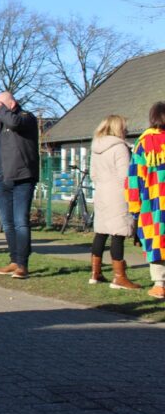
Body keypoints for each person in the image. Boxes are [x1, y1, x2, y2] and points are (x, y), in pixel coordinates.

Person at [0, 91, 40, 280]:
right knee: (7, 223)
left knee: (20, 221)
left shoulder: (25, 118)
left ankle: (23, 264)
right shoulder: (2, 123)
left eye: (1, 105)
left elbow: (14, 123)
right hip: (3, 179)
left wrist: (0, 108)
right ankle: (14, 260)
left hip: (22, 177)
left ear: (11, 104)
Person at [90, 115, 139, 289]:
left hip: (101, 192)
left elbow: (93, 174)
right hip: (117, 194)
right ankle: (119, 277)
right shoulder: (120, 148)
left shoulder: (95, 147)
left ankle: (95, 273)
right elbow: (125, 176)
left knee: (101, 232)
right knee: (118, 233)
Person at [127, 102, 165, 299]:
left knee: (156, 238)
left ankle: (159, 284)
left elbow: (134, 178)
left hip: (153, 202)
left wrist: (134, 207)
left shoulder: (144, 143)